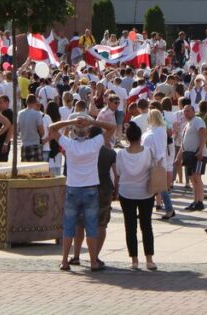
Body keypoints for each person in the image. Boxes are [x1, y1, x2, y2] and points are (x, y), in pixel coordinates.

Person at [49, 116, 116, 271]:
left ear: (73, 132)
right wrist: (92, 122)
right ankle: (93, 261)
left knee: (69, 226)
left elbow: (52, 128)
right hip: (91, 188)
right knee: (92, 227)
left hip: (72, 188)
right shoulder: (94, 143)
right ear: (87, 132)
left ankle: (65, 261)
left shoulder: (69, 144)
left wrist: (71, 122)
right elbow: (112, 127)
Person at [113, 122, 157, 271]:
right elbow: (154, 168)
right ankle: (149, 259)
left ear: (128, 138)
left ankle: (134, 260)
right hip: (146, 192)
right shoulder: (148, 151)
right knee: (147, 226)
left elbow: (118, 173)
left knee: (130, 227)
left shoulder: (121, 154)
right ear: (140, 137)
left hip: (127, 192)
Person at [141, 109, 175, 220]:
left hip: (156, 162)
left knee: (161, 188)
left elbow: (160, 148)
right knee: (152, 188)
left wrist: (158, 163)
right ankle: (146, 210)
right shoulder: (152, 130)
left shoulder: (160, 130)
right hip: (149, 161)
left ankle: (169, 209)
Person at [176, 102, 207, 212]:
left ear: (194, 111)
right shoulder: (187, 125)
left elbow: (203, 133)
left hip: (198, 154)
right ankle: (195, 201)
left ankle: (200, 201)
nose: (186, 113)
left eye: (188, 110)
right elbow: (183, 143)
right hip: (189, 155)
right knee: (192, 179)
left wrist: (200, 150)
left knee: (196, 177)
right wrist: (178, 157)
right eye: (184, 111)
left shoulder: (197, 121)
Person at [16, 95, 46, 163]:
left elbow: (18, 129)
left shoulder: (20, 114)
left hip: (24, 144)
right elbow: (42, 131)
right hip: (35, 144)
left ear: (26, 102)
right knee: (37, 170)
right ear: (35, 102)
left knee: (26, 171)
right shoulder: (37, 114)